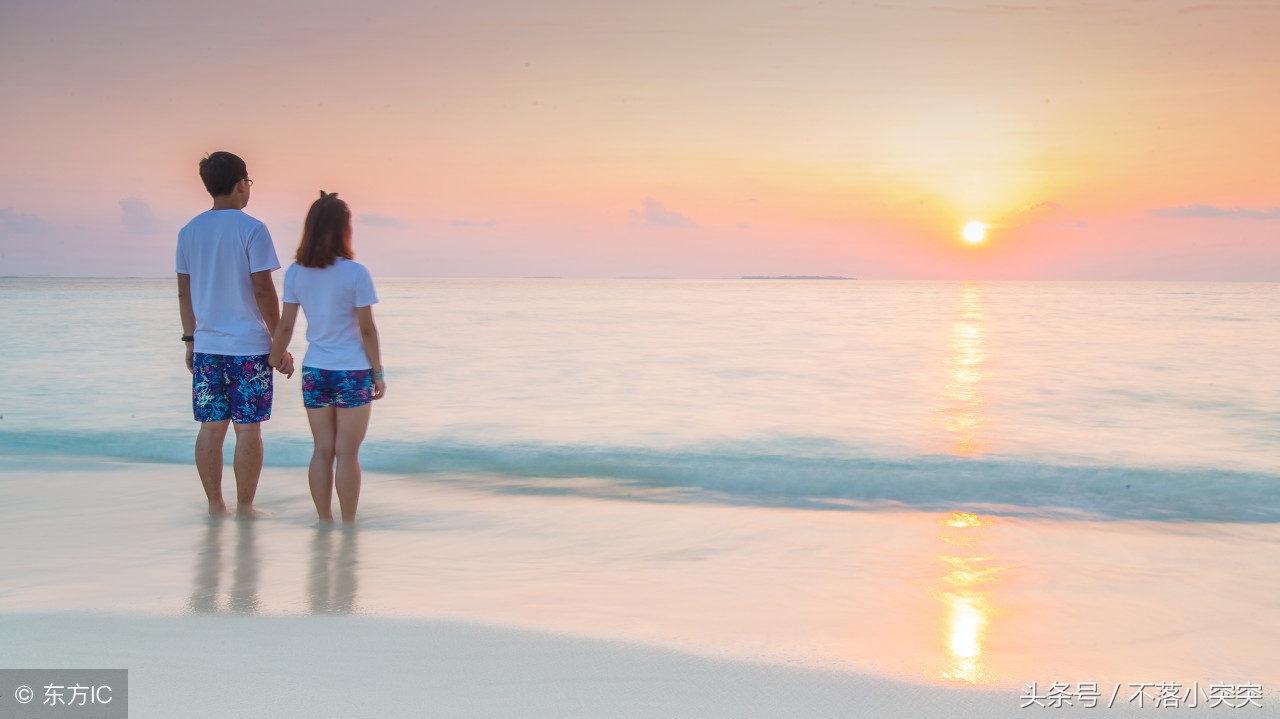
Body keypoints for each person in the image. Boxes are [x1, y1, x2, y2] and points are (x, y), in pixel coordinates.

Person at [177, 151, 293, 518]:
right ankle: (245, 507)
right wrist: (280, 344)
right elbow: (263, 291)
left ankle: (215, 505)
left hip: (208, 346)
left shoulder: (189, 231)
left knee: (211, 429)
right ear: (242, 184)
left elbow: (184, 292)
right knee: (248, 431)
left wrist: (190, 340)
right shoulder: (252, 229)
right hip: (249, 348)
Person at [269, 192, 385, 524]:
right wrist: (378, 372)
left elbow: (286, 325)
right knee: (347, 454)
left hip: (315, 370)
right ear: (344, 229)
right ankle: (348, 526)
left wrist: (275, 358)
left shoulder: (296, 273)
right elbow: (367, 329)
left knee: (322, 450)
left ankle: (324, 522)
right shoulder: (355, 273)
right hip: (352, 372)